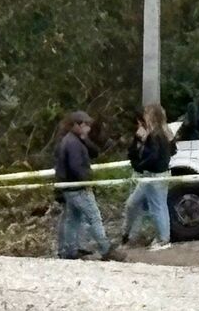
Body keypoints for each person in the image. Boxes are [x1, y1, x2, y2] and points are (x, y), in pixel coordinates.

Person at [54, 110, 121, 260]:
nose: (89, 128)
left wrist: (84, 140)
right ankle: (106, 249)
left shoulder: (71, 140)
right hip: (79, 187)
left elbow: (93, 153)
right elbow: (77, 167)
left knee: (73, 219)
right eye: (86, 125)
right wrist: (88, 181)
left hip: (69, 188)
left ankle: (69, 251)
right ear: (78, 125)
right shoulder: (73, 144)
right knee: (94, 217)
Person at [122, 105, 176, 251]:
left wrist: (141, 164)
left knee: (158, 207)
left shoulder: (155, 134)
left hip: (153, 174)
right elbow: (173, 150)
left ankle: (163, 239)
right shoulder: (164, 132)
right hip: (154, 174)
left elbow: (154, 155)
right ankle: (130, 235)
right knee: (134, 203)